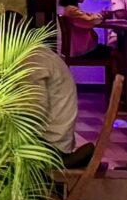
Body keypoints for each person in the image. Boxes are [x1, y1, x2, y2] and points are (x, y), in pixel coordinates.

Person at [18, 23, 90, 166]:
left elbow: (33, 114)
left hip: (51, 147)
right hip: (59, 141)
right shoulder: (39, 53)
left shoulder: (32, 59)